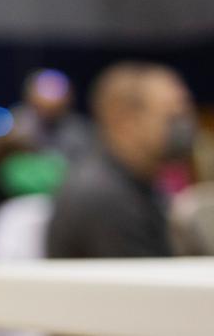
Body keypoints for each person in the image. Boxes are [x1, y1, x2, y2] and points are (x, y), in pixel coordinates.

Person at [46, 62, 196, 258]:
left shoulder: (138, 183)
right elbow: (148, 285)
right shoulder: (103, 196)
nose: (185, 126)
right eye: (172, 116)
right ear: (125, 120)